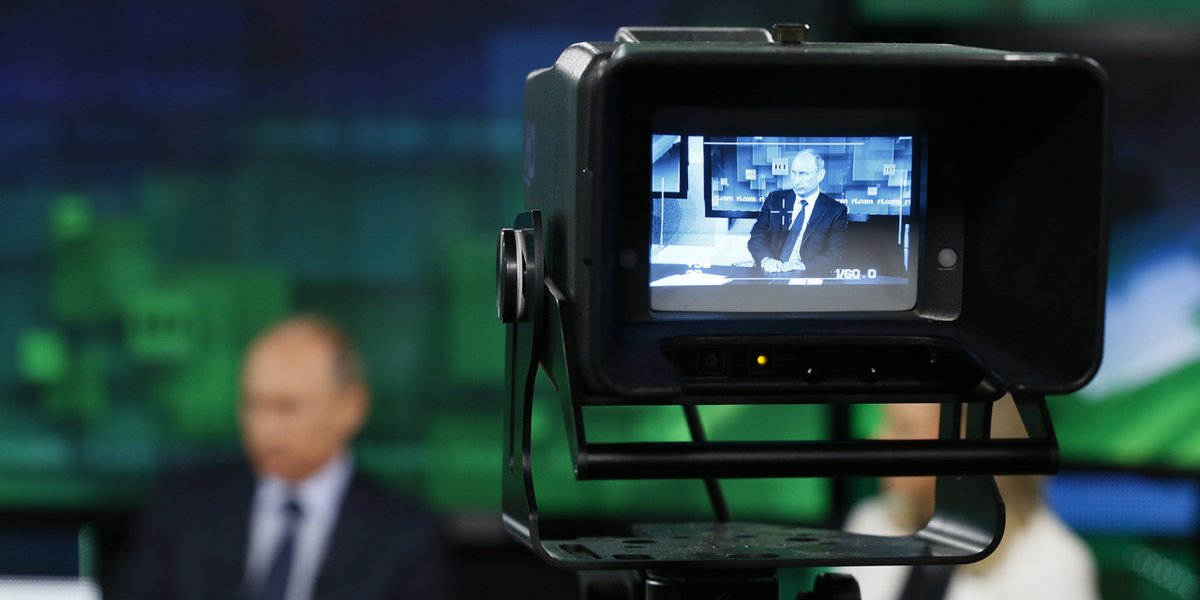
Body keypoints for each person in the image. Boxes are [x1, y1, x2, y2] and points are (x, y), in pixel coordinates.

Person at [117, 315, 451, 600]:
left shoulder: (406, 534)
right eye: (252, 404)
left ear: (350, 407)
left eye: (287, 407)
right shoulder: (183, 505)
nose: (264, 428)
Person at [836, 397, 1099, 600]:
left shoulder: (1054, 563)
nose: (878, 438)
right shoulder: (868, 521)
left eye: (903, 427)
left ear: (969, 437)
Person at [747, 149, 848, 277]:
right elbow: (756, 237)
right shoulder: (775, 199)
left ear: (820, 175)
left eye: (803, 174)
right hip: (771, 273)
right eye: (794, 173)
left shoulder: (835, 211)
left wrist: (801, 265)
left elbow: (836, 255)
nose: (796, 181)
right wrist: (767, 259)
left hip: (806, 277)